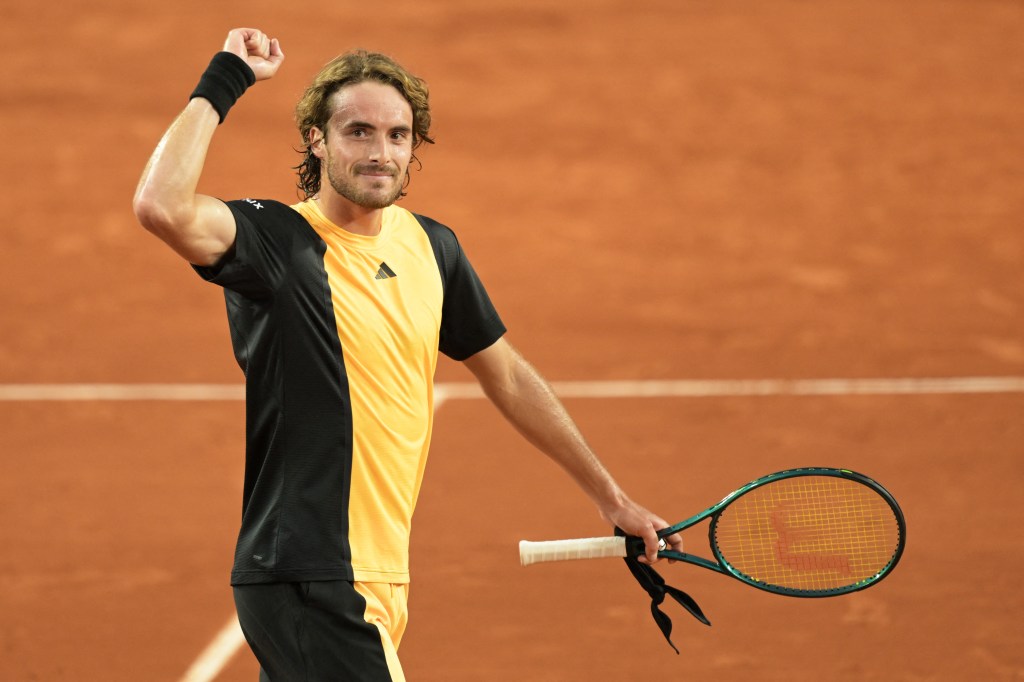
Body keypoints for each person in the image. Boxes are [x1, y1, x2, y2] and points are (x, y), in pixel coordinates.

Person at [133, 27, 682, 681]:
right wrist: (226, 76)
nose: (380, 152)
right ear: (318, 139)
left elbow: (505, 372)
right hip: (314, 574)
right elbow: (160, 206)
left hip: (376, 574)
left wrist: (612, 499)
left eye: (397, 135)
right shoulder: (279, 242)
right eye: (358, 132)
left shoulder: (432, 247)